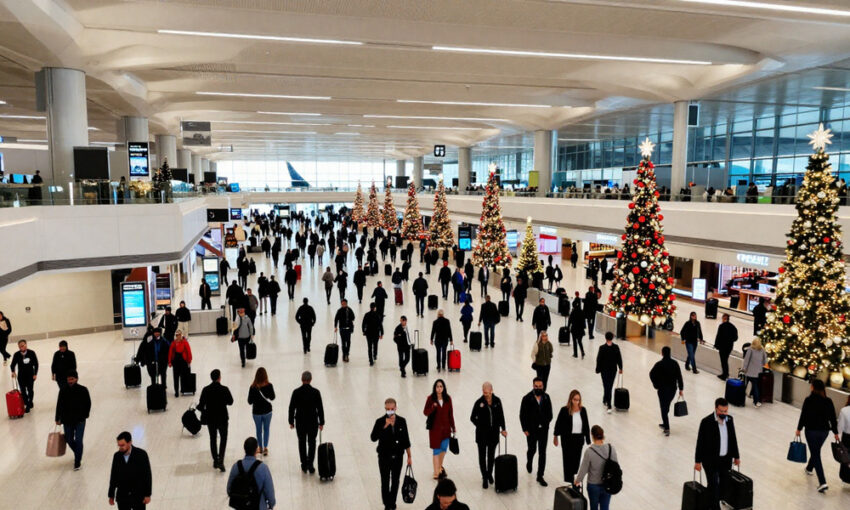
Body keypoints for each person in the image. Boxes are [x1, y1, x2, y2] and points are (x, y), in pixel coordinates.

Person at [695, 398, 741, 508]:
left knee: (724, 483)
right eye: (721, 411)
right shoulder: (706, 422)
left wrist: (736, 456)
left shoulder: (729, 420)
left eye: (726, 411)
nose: (724, 413)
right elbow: (700, 442)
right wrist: (697, 461)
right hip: (710, 461)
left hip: (725, 460)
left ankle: (712, 500)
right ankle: (715, 506)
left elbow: (733, 438)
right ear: (716, 409)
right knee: (713, 484)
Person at [796, 379, 839, 492]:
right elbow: (833, 418)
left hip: (811, 431)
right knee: (816, 450)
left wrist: (799, 429)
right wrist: (835, 432)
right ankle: (809, 468)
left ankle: (822, 482)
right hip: (824, 432)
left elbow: (803, 415)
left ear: (813, 387)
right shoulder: (828, 401)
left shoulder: (809, 400)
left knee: (815, 453)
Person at [371, 397, 413, 510]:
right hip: (384, 456)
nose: (390, 411)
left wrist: (409, 456)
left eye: (392, 409)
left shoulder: (402, 421)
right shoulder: (380, 421)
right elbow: (373, 437)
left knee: (395, 480)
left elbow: (406, 440)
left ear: (395, 408)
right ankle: (387, 503)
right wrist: (385, 426)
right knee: (385, 480)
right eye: (387, 409)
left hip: (398, 456)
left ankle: (392, 503)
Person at [469, 382, 507, 489]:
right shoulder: (479, 402)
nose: (485, 394)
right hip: (481, 435)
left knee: (491, 456)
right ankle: (484, 477)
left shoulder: (497, 401)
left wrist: (503, 429)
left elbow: (501, 416)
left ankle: (489, 473)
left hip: (493, 434)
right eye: (484, 392)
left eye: (487, 392)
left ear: (491, 391)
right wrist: (480, 425)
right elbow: (472, 417)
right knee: (482, 456)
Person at [288, 371, 325, 473]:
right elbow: (320, 408)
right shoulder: (316, 392)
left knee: (302, 442)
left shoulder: (296, 392)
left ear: (302, 379)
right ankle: (310, 464)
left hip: (300, 422)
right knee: (312, 442)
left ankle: (304, 464)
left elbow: (291, 408)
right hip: (312, 421)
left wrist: (291, 421)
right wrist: (321, 422)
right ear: (311, 379)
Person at [574, 425, 618, 510]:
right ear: (603, 435)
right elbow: (615, 466)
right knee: (605, 508)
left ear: (592, 435)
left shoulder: (589, 451)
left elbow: (583, 469)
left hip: (593, 486)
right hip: (607, 484)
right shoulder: (611, 449)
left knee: (594, 508)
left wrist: (577, 480)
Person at [198, 369, 234, 471]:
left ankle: (215, 460)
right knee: (223, 438)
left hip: (211, 419)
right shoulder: (224, 389)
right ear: (219, 378)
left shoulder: (206, 390)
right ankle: (221, 460)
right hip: (222, 418)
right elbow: (231, 401)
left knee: (213, 439)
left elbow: (201, 405)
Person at [520, 377, 553, 486]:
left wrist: (545, 423)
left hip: (543, 430)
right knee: (532, 449)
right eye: (536, 386)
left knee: (542, 452)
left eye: (540, 386)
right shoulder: (526, 398)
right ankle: (529, 461)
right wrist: (525, 429)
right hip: (531, 431)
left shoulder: (546, 397)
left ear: (543, 386)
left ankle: (540, 475)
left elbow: (550, 414)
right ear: (533, 386)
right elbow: (522, 415)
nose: (538, 388)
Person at [55, 369, 91, 470]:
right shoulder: (63, 390)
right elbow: (59, 404)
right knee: (69, 439)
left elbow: (88, 403)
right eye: (68, 379)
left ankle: (77, 461)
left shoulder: (83, 390)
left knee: (78, 440)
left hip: (80, 420)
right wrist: (57, 418)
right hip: (67, 420)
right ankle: (78, 452)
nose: (70, 381)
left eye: (72, 379)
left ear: (76, 379)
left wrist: (85, 415)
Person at [227, 437, 276, 510]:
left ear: (244, 449)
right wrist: (271, 504)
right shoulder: (263, 468)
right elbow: (270, 492)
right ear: (256, 450)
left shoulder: (236, 466)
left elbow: (229, 489)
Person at [553, 390, 590, 484]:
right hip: (567, 439)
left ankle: (574, 477)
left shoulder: (583, 410)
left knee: (576, 460)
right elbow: (558, 423)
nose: (576, 402)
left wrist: (588, 439)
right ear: (571, 399)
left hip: (579, 439)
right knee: (567, 460)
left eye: (578, 400)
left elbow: (586, 425)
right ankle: (570, 480)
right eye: (575, 399)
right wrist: (555, 436)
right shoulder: (564, 410)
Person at [108, 431, 152, 509]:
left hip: (138, 496)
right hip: (123, 497)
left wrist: (147, 494)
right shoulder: (117, 456)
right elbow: (113, 476)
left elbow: (147, 475)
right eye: (119, 445)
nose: (120, 448)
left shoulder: (141, 454)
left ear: (130, 442)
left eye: (122, 445)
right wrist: (111, 495)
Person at [423, 379, 456, 480]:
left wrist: (453, 427)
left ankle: (439, 467)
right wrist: (433, 407)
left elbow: (450, 414)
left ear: (444, 388)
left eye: (441, 386)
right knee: (436, 450)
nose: (439, 388)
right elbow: (425, 412)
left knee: (443, 449)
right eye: (437, 386)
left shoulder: (448, 398)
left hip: (446, 429)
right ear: (434, 388)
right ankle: (436, 471)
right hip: (435, 429)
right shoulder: (430, 398)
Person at [649, 346, 684, 437]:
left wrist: (656, 385)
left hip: (662, 389)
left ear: (662, 353)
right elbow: (679, 376)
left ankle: (667, 427)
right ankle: (665, 423)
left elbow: (651, 374)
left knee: (663, 408)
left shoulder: (659, 364)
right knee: (666, 406)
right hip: (672, 389)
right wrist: (681, 388)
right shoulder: (675, 363)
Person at [248, 367, 276, 457]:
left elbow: (249, 401)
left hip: (256, 413)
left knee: (259, 430)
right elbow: (273, 398)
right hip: (267, 412)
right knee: (266, 429)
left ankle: (260, 447)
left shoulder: (253, 387)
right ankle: (265, 448)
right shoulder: (269, 385)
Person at [595, 332, 623, 413]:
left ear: (605, 338)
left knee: (607, 386)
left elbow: (599, 359)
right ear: (612, 338)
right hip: (612, 370)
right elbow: (619, 358)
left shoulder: (602, 348)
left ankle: (609, 404)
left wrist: (597, 369)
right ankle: (605, 399)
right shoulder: (616, 347)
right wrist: (620, 368)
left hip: (604, 370)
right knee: (608, 386)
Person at [10, 339, 38, 413]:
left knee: (30, 390)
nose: (21, 347)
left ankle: (29, 404)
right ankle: (27, 403)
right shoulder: (16, 354)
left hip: (30, 375)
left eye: (23, 345)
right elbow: (12, 365)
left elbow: (36, 364)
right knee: (23, 391)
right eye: (20, 346)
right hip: (21, 376)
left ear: (26, 345)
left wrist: (35, 374)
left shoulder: (31, 353)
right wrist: (13, 371)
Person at [740, 338, 768, 407]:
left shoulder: (750, 349)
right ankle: (756, 402)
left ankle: (741, 400)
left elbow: (746, 360)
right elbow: (765, 361)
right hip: (757, 373)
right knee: (755, 387)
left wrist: (744, 369)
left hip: (748, 372)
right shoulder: (762, 350)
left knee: (744, 386)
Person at [167, 331, 193, 398]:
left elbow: (188, 351)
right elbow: (170, 353)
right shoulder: (173, 343)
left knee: (183, 377)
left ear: (181, 335)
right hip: (175, 362)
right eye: (177, 335)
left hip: (183, 362)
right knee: (175, 377)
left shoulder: (185, 342)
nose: (178, 336)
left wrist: (189, 360)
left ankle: (183, 389)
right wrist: (169, 362)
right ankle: (176, 391)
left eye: (179, 335)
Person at [714, 314, 738, 380]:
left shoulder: (721, 326)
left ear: (724, 318)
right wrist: (730, 340)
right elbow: (735, 338)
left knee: (723, 361)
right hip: (729, 347)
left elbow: (718, 336)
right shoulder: (733, 327)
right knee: (725, 360)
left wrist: (716, 345)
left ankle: (725, 374)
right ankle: (725, 373)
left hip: (722, 347)